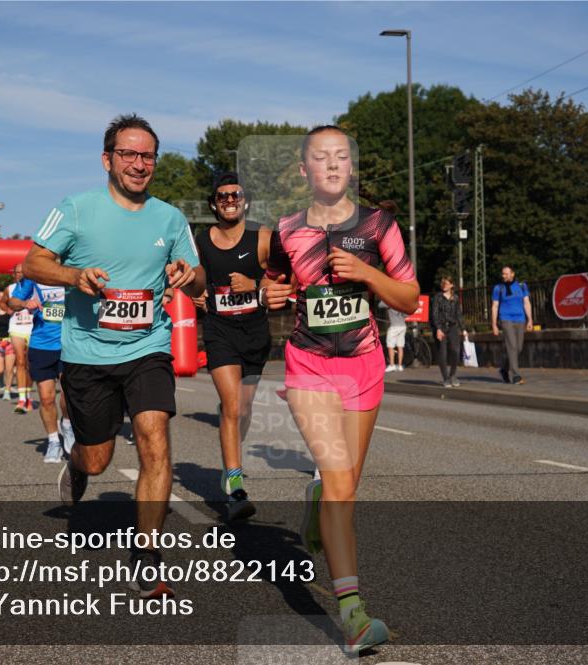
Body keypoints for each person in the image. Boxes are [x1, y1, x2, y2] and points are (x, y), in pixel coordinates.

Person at [24, 113, 204, 599]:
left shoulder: (169, 217)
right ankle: (78, 466)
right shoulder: (77, 209)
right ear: (108, 159)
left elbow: (201, 276)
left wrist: (191, 275)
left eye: (147, 155)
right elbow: (33, 261)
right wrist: (73, 277)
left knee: (154, 435)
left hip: (148, 346)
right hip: (87, 352)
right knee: (98, 458)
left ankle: (147, 554)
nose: (138, 163)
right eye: (128, 154)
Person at [260, 125, 418, 653]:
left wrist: (368, 275)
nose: (332, 165)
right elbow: (277, 285)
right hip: (308, 364)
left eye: (341, 157)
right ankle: (353, 614)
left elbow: (409, 297)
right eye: (320, 158)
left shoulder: (379, 225)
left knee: (344, 484)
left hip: (365, 364)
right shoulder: (285, 230)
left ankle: (315, 505)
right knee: (341, 485)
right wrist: (273, 294)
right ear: (304, 170)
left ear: (351, 167)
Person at [193, 172, 271, 521]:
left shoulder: (262, 236)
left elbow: (284, 276)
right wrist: (194, 293)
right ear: (214, 203)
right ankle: (236, 487)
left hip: (255, 331)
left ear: (245, 200)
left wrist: (256, 284)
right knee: (232, 404)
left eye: (234, 195)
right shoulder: (202, 240)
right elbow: (189, 277)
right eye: (222, 196)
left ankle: (230, 464)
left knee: (244, 408)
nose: (228, 200)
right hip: (219, 329)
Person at [8, 276, 76, 463]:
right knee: (46, 398)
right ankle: (53, 441)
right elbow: (12, 302)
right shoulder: (33, 277)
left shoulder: (70, 269)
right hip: (42, 345)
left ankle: (68, 425)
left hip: (69, 344)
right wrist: (24, 302)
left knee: (69, 393)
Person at [491, 265, 532, 385]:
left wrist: (530, 320)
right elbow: (495, 306)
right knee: (512, 346)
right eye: (502, 274)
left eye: (506, 273)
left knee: (518, 348)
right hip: (506, 319)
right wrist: (494, 324)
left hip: (520, 319)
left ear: (512, 274)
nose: (503, 276)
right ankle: (516, 376)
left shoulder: (522, 286)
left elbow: (526, 303)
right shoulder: (498, 288)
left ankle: (504, 369)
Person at [4, 264, 35, 413]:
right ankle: (22, 399)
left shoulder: (34, 287)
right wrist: (8, 310)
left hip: (32, 327)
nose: (20, 275)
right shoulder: (10, 289)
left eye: (23, 272)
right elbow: (3, 302)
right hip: (17, 328)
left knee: (30, 363)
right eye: (17, 273)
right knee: (20, 361)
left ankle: (28, 394)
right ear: (13, 275)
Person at [432, 275, 463, 387]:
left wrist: (463, 328)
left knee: (455, 351)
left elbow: (459, 314)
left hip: (453, 327)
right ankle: (445, 378)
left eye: (446, 283)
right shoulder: (437, 297)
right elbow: (434, 314)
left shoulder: (455, 298)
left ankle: (453, 375)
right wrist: (438, 329)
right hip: (441, 328)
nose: (444, 285)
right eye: (442, 283)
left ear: (451, 285)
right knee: (443, 354)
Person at [382, 300, 407, 372]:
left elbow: (380, 305)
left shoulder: (389, 303)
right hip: (402, 326)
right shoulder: (402, 305)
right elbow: (406, 315)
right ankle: (399, 366)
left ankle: (392, 365)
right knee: (400, 346)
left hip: (394, 327)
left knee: (390, 346)